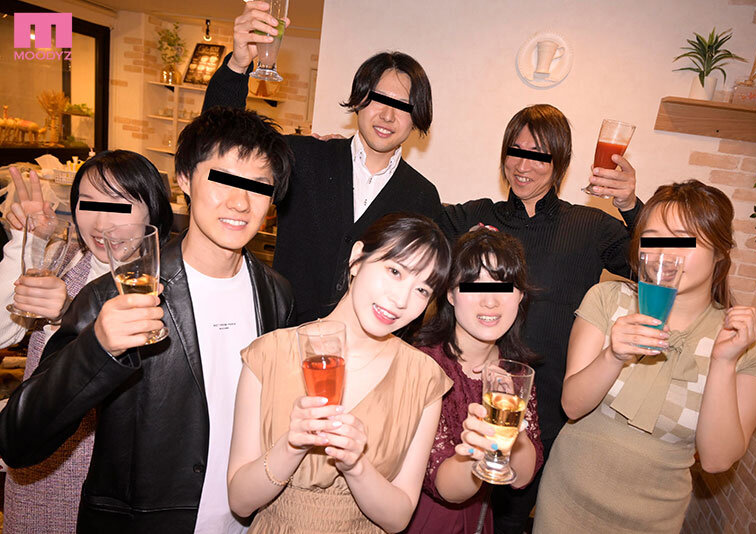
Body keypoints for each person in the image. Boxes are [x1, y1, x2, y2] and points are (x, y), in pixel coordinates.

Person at [0, 106, 295, 533]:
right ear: (185, 179)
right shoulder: (116, 292)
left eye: (258, 186)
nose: (239, 201)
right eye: (222, 179)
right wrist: (96, 348)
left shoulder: (276, 296)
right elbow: (18, 438)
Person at [437, 104, 642, 532]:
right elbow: (407, 225)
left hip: (541, 415)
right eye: (515, 151)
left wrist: (631, 206)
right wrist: (364, 154)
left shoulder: (590, 226)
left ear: (560, 162)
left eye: (539, 155)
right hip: (461, 407)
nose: (523, 165)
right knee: (447, 515)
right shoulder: (476, 217)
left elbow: (659, 269)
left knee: (509, 522)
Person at [534, 180, 756, 533]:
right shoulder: (608, 299)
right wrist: (613, 355)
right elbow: (572, 406)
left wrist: (724, 362)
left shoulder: (753, 343)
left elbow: (716, 460)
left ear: (720, 251)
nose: (664, 252)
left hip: (653, 519)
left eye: (683, 239)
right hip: (566, 497)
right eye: (652, 239)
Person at [202, 1, 441, 324]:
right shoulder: (304, 158)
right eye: (378, 99)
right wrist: (238, 65)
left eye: (402, 106)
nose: (387, 115)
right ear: (360, 99)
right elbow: (221, 146)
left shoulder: (422, 196)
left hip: (367, 349)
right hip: (282, 335)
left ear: (417, 117)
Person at [227, 212, 452, 534]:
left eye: (422, 290)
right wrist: (291, 446)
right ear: (357, 258)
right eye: (394, 271)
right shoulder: (268, 354)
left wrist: (357, 466)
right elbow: (240, 502)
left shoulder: (424, 379)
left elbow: (398, 518)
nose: (401, 300)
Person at [0, 151, 173, 534]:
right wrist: (27, 242)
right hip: (40, 474)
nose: (101, 223)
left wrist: (68, 316)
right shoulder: (62, 259)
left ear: (153, 212)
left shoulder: (162, 285)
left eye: (120, 206)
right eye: (89, 204)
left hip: (118, 485)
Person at [406, 228, 544, 534]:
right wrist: (478, 448)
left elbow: (522, 478)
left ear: (520, 296)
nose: (490, 302)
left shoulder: (515, 374)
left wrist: (512, 426)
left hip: (479, 523)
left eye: (504, 287)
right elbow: (444, 486)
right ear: (451, 294)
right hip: (423, 520)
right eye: (474, 286)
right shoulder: (422, 365)